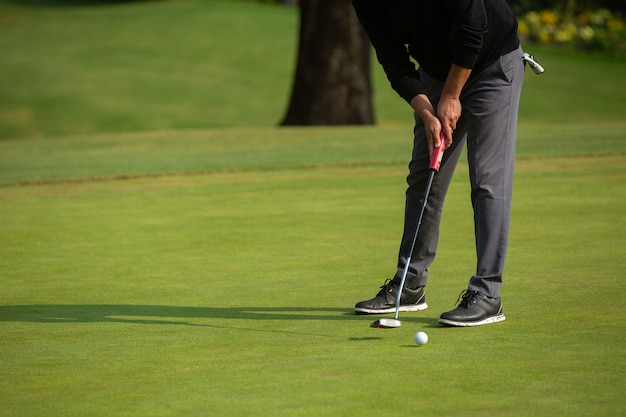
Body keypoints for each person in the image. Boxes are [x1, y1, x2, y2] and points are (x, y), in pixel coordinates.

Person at [352, 0, 525, 326]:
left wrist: (450, 96)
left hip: (492, 64)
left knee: (487, 179)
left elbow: (475, 26)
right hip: (435, 75)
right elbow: (394, 62)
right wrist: (427, 111)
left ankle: (488, 293)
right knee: (425, 177)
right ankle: (410, 283)